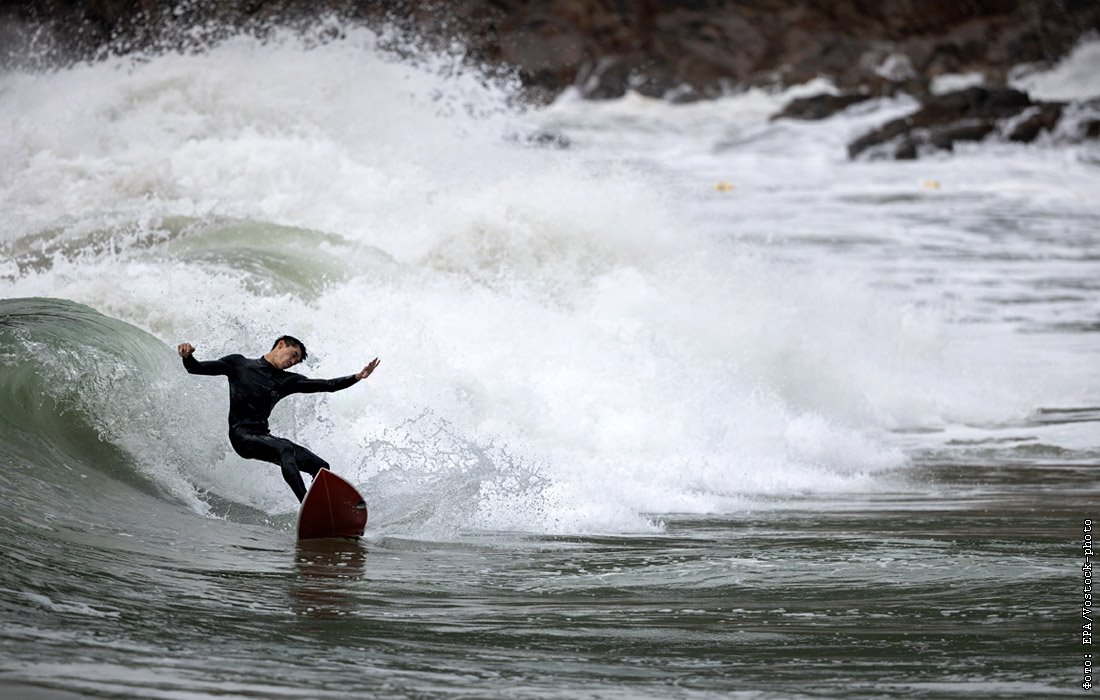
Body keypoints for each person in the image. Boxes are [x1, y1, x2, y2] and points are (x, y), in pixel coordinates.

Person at [177, 336, 379, 503]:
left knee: (320, 466)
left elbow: (327, 385)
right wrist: (188, 356)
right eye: (294, 355)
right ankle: (306, 504)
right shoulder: (239, 364)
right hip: (241, 436)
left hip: (262, 437)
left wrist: (357, 376)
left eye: (297, 361)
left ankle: (327, 511)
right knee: (284, 448)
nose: (293, 362)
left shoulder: (286, 381)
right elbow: (196, 368)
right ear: (281, 344)